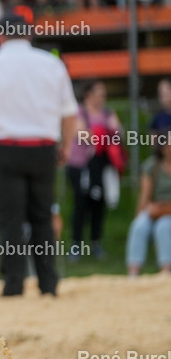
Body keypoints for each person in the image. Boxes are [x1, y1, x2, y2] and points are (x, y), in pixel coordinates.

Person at [0, 13, 77, 297]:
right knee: (42, 218)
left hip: (6, 148)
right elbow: (69, 112)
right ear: (29, 35)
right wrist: (66, 145)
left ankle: (14, 283)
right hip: (44, 146)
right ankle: (49, 283)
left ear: (0, 37)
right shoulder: (52, 64)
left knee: (10, 219)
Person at [66, 80, 122, 261]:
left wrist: (99, 134)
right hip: (81, 166)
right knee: (81, 204)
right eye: (99, 92)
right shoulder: (79, 112)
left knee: (99, 204)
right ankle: (77, 244)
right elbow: (82, 136)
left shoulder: (107, 113)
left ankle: (96, 242)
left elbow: (119, 133)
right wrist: (102, 134)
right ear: (88, 95)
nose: (102, 97)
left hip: (101, 166)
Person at [125, 131, 171, 277]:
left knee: (163, 227)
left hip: (168, 211)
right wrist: (140, 215)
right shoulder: (153, 165)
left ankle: (166, 270)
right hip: (155, 208)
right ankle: (133, 271)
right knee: (139, 226)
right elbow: (144, 196)